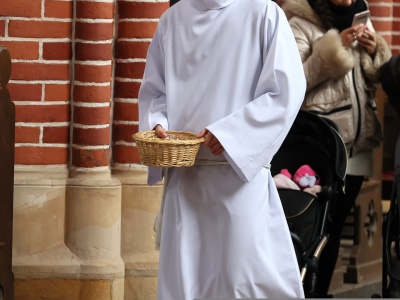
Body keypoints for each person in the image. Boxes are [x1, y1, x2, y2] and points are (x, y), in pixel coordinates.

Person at [137, 0, 307, 299]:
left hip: (238, 180)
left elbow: (286, 90)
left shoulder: (263, 13)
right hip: (186, 180)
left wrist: (232, 134)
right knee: (186, 283)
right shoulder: (172, 21)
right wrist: (159, 124)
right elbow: (155, 91)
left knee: (243, 281)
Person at [281, 0, 392, 297]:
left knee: (335, 228)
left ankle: (319, 291)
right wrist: (335, 48)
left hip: (357, 143)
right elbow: (295, 82)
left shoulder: (359, 16)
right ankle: (303, 292)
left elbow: (370, 80)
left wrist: (372, 51)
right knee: (316, 229)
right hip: (321, 148)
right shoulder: (298, 22)